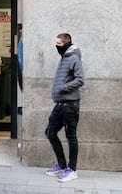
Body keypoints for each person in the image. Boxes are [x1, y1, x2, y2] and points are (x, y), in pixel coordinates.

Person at [45, 33, 84, 183]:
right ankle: (62, 165)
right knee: (50, 132)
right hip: (60, 104)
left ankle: (72, 170)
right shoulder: (64, 58)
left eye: (59, 44)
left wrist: (63, 88)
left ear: (66, 44)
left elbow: (80, 79)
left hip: (70, 105)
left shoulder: (73, 58)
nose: (56, 46)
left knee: (71, 136)